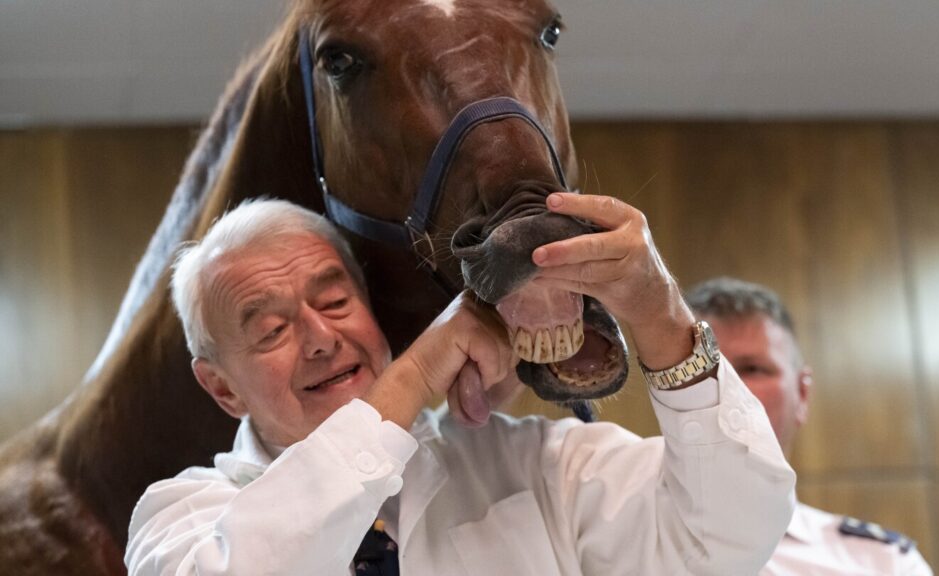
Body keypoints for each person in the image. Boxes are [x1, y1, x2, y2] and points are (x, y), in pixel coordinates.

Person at [125, 196, 796, 575]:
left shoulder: (534, 465)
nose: (322, 338)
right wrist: (414, 376)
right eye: (271, 329)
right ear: (222, 390)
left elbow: (729, 540)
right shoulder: (180, 518)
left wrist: (660, 313)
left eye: (335, 304)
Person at [687, 276, 934, 575]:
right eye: (702, 368)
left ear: (802, 394)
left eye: (752, 369)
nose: (728, 387)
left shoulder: (883, 563)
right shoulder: (622, 551)